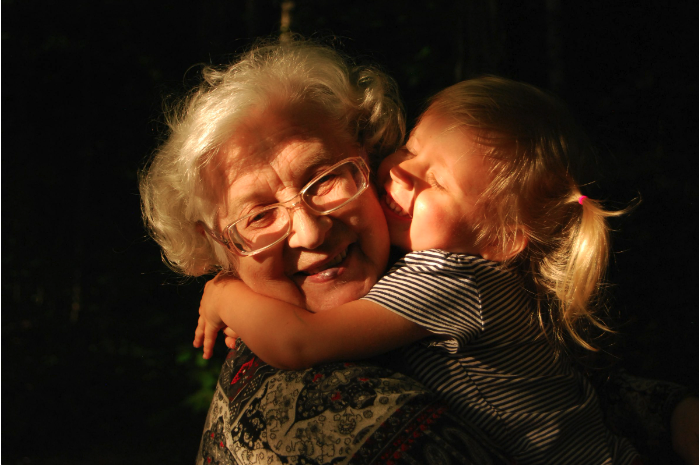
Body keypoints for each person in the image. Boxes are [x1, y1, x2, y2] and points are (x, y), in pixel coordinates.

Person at [140, 37, 697, 464]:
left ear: (364, 153)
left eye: (326, 178)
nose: (310, 233)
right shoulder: (297, 415)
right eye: (259, 215)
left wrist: (225, 295)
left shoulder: (441, 275)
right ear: (218, 247)